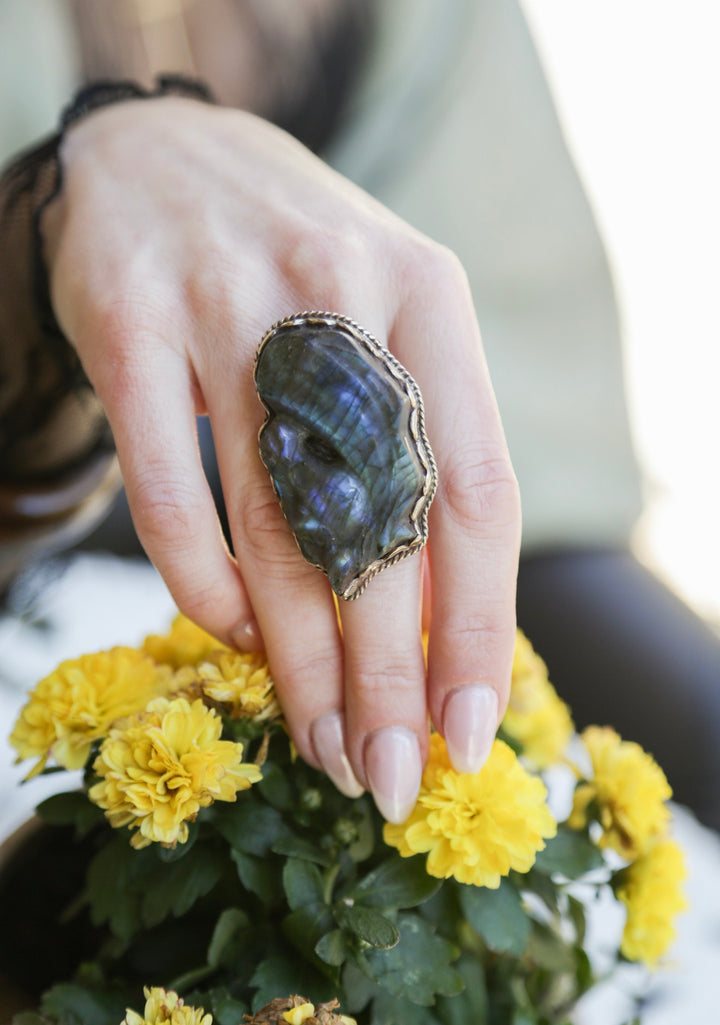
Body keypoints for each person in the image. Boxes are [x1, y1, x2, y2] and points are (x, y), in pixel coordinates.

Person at [1, 0, 719, 831]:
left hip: (343, 464)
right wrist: (46, 227)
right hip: (48, 482)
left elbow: (507, 349)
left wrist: (389, 469)